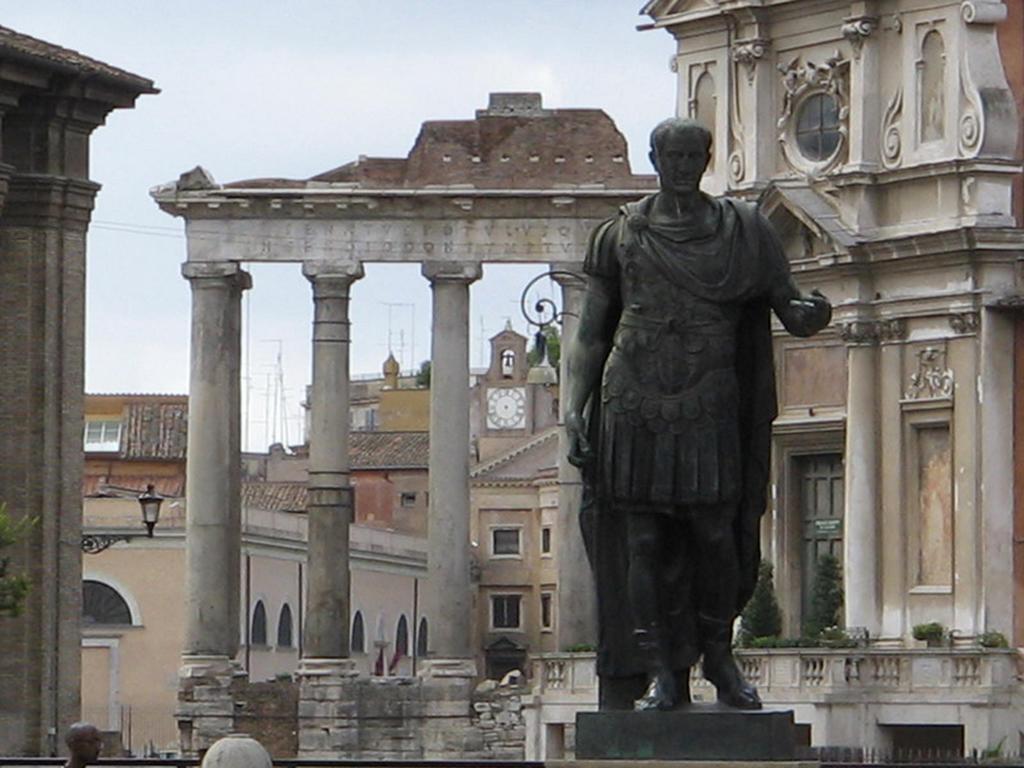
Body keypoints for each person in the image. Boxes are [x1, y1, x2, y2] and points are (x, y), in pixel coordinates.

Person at [564, 117, 831, 711]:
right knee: (643, 540)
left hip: (712, 398)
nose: (683, 166)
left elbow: (787, 305)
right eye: (672, 156)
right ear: (655, 159)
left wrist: (811, 313)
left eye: (693, 155)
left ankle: (718, 655)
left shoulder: (745, 230)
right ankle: (662, 669)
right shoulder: (620, 234)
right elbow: (589, 333)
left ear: (707, 159)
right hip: (632, 398)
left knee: (716, 534)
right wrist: (573, 410)